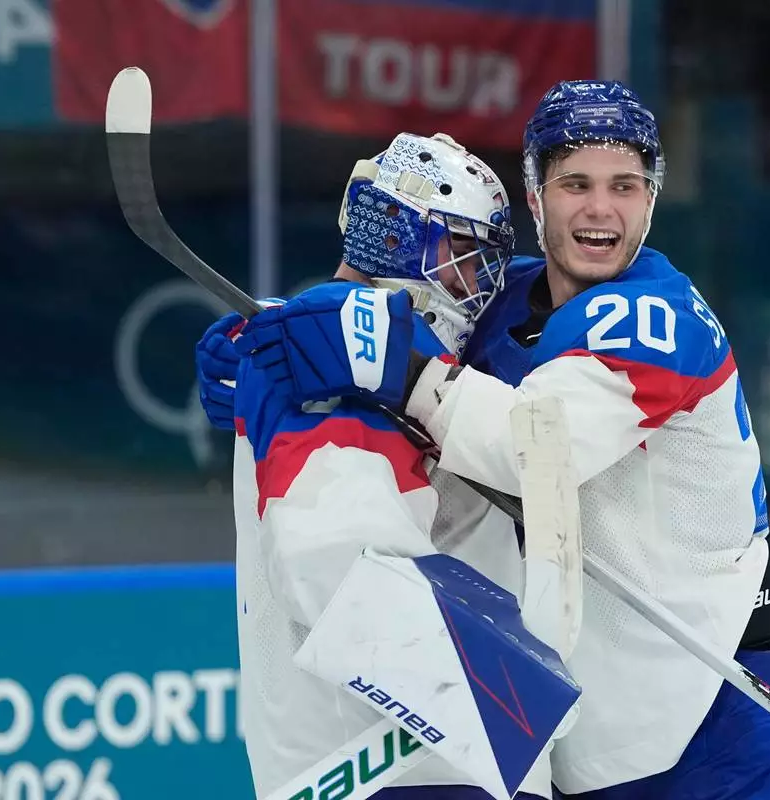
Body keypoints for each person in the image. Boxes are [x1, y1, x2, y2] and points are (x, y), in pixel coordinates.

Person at [228, 81, 770, 799]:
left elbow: (537, 453)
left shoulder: (656, 319)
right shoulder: (501, 299)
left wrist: (400, 367)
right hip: (592, 723)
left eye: (625, 186)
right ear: (537, 197)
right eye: (575, 183)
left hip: (716, 701)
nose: (600, 208)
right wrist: (266, 335)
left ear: (652, 197)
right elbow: (404, 298)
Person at [199, 131, 573, 800]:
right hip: (404, 773)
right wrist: (504, 700)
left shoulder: (351, 346)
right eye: (462, 255)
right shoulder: (337, 352)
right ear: (400, 241)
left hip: (416, 768)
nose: (477, 286)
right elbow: (332, 555)